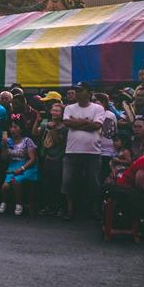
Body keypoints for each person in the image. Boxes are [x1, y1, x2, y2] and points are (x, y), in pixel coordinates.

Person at [61, 82, 105, 221]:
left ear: (88, 92)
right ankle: (70, 211)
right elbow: (67, 123)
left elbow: (97, 125)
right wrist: (86, 122)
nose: (78, 93)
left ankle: (93, 211)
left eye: (81, 90)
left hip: (92, 151)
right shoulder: (69, 107)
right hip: (72, 151)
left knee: (93, 182)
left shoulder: (98, 108)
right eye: (77, 90)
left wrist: (76, 122)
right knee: (68, 181)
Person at [0, 120, 38, 216]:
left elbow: (32, 159)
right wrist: (4, 146)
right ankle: (4, 202)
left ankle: (19, 204)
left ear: (21, 130)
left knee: (16, 181)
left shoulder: (27, 140)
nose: (12, 129)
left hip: (26, 166)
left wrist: (21, 169)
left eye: (15, 127)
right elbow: (4, 158)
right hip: (12, 165)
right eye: (11, 127)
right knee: (5, 186)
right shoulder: (8, 141)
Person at [36, 101, 67, 216]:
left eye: (57, 110)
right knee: (47, 183)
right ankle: (47, 206)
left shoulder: (64, 127)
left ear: (62, 113)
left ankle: (59, 207)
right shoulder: (47, 124)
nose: (54, 112)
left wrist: (53, 129)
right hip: (47, 158)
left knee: (58, 184)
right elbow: (36, 133)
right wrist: (38, 121)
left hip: (59, 159)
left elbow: (59, 141)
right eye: (53, 110)